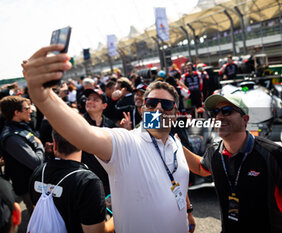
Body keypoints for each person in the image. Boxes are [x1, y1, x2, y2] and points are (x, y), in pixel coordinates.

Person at [22, 44, 195, 233]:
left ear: (175, 112)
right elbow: (85, 134)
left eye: (167, 104)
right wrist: (43, 96)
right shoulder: (127, 142)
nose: (158, 109)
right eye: (152, 103)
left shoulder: (175, 143)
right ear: (144, 108)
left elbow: (180, 180)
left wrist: (188, 211)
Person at [182, 93, 282, 233]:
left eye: (227, 111)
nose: (219, 117)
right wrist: (176, 145)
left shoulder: (273, 153)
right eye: (215, 112)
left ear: (245, 120)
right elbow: (200, 167)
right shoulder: (213, 153)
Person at [29, 130, 114, 233]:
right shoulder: (88, 182)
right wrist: (117, 217)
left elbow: (36, 210)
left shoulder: (39, 172)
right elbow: (97, 231)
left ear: (54, 145)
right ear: (82, 144)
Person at [0, 96, 45, 214]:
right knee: (40, 218)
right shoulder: (12, 137)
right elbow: (36, 163)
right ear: (16, 112)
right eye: (27, 108)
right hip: (29, 188)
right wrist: (40, 146)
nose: (31, 110)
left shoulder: (20, 126)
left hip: (36, 183)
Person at [82, 88, 117, 196]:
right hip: (87, 180)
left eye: (95, 100)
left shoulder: (111, 125)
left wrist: (125, 131)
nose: (90, 102)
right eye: (88, 99)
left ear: (104, 106)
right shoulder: (80, 124)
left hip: (109, 181)